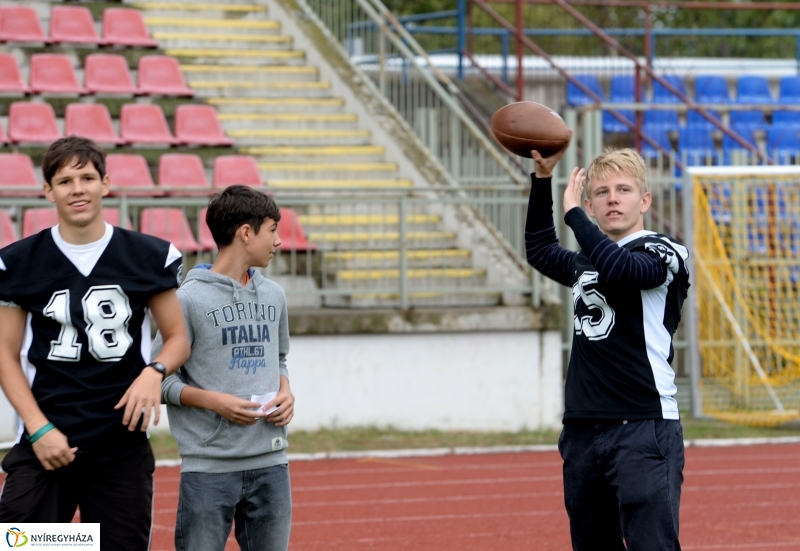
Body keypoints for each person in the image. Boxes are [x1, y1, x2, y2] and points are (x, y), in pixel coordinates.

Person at [0, 136, 190, 550]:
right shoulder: (18, 262)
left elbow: (177, 337)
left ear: (105, 184)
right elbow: (4, 355)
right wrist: (38, 428)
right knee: (20, 543)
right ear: (48, 190)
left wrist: (154, 372)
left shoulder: (146, 256)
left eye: (87, 178)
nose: (78, 189)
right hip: (48, 435)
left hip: (120, 440)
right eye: (65, 181)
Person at [525, 145, 689, 551]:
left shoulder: (663, 251)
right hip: (583, 428)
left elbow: (621, 270)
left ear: (644, 201)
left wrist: (575, 217)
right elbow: (540, 251)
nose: (613, 199)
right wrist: (542, 180)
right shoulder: (587, 260)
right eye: (601, 192)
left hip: (643, 424)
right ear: (592, 206)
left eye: (623, 190)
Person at [153, 185, 294, 551]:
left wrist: (286, 391)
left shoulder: (274, 295)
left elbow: (279, 359)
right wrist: (215, 402)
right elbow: (160, 380)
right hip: (208, 469)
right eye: (272, 230)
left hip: (271, 463)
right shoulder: (187, 299)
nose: (278, 241)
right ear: (246, 233)